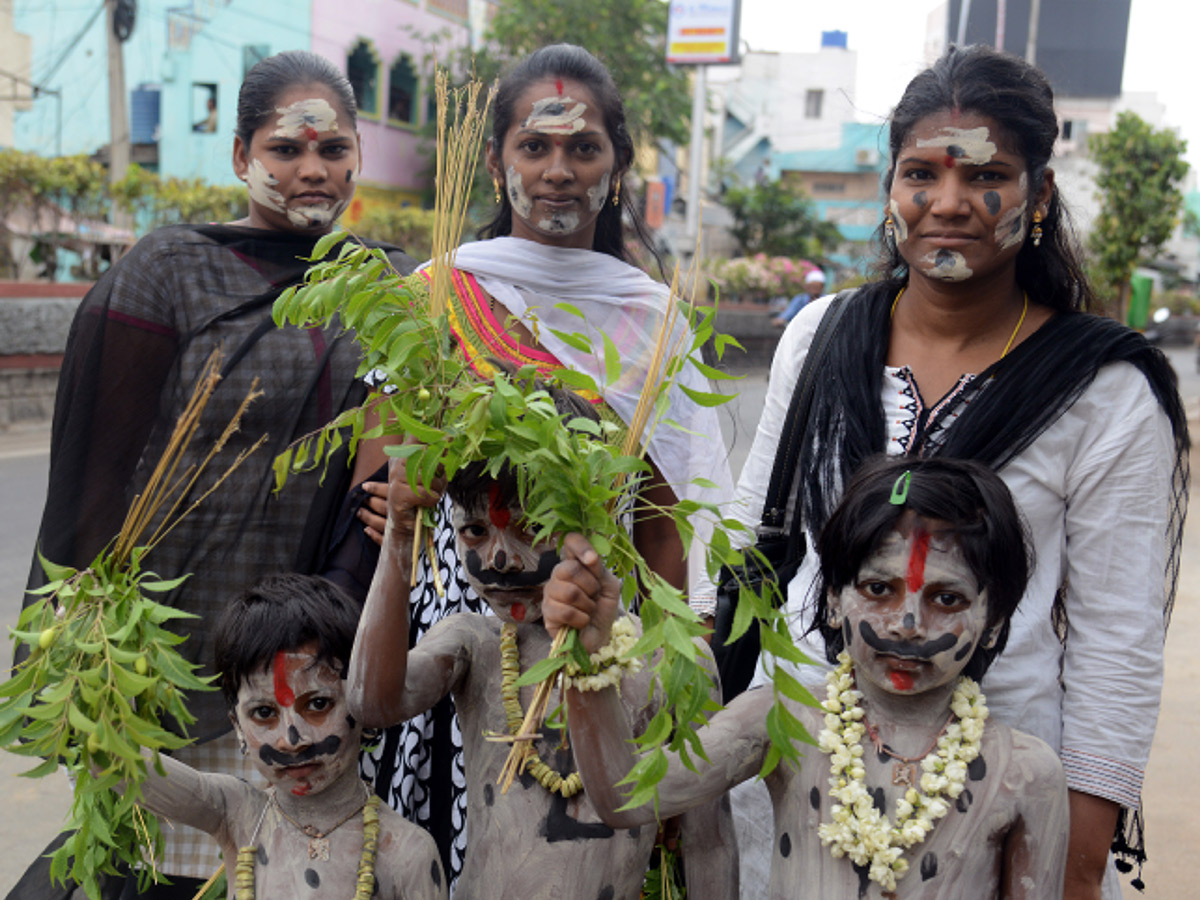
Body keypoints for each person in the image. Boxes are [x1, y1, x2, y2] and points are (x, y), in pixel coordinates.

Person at [730, 45, 1188, 900]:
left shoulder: (1104, 389)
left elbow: (1115, 644)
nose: (948, 204)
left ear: (1039, 196)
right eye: (920, 173)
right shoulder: (821, 336)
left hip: (990, 794)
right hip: (795, 776)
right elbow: (752, 549)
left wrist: (1073, 866)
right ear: (890, 186)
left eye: (986, 177)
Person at [13, 50, 415, 899]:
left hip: (303, 666)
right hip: (166, 652)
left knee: (284, 875)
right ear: (241, 157)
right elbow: (97, 475)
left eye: (334, 149)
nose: (313, 168)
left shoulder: (384, 290)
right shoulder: (168, 273)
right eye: (285, 149)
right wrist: (86, 650)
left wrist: (321, 642)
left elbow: (376, 502)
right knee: (160, 873)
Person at [352, 43, 734, 889]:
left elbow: (671, 517)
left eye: (583, 147)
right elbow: (379, 487)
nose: (559, 170)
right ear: (495, 163)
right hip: (461, 634)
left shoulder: (655, 319)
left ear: (618, 167)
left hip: (595, 630)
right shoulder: (436, 297)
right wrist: (409, 502)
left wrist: (672, 665)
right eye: (535, 146)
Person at [545, 456, 1069, 898]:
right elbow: (623, 798)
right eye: (879, 590)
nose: (908, 626)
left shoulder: (1023, 774)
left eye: (946, 599)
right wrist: (589, 659)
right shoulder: (783, 719)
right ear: (835, 601)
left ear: (994, 621)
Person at [346, 405, 736, 900]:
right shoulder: (474, 644)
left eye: (530, 528)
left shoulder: (669, 664)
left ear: (591, 518)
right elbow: (370, 704)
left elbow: (710, 844)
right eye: (475, 532)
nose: (501, 559)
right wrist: (400, 536)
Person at [132, 573, 446, 900]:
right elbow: (121, 767)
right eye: (264, 713)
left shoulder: (406, 852)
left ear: (363, 706)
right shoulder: (237, 813)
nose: (292, 739)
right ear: (238, 728)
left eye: (318, 704)